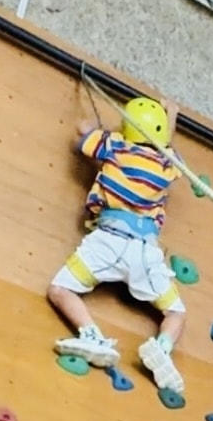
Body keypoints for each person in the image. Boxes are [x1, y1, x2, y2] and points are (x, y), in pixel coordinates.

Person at [48, 95, 187, 393]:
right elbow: (166, 146)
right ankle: (162, 347)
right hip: (146, 253)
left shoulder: (116, 144)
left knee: (60, 290)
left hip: (109, 242)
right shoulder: (168, 162)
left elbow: (82, 131)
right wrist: (171, 114)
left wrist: (114, 128)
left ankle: (92, 336)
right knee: (176, 312)